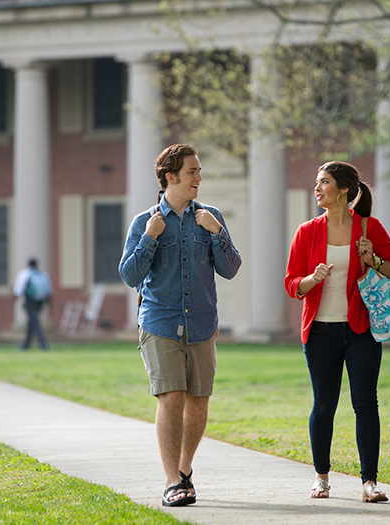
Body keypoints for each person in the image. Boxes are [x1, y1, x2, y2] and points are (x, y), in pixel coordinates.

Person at [119, 143, 242, 507]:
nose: (199, 178)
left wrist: (217, 231)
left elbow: (231, 268)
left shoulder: (210, 216)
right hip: (160, 322)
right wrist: (150, 238)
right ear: (171, 177)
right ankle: (172, 481)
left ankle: (185, 470)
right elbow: (129, 275)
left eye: (199, 172)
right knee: (171, 397)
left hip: (203, 324)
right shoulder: (145, 222)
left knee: (198, 400)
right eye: (193, 172)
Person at [284, 161, 390, 503]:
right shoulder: (307, 231)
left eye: (324, 182)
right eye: (316, 182)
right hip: (320, 331)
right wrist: (313, 279)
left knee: (365, 403)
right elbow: (292, 282)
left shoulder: (369, 227)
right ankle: (321, 478)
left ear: (343, 190)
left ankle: (369, 483)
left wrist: (374, 260)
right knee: (323, 406)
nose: (317, 188)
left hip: (361, 330)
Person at [13, 258, 52, 351]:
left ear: (28, 264)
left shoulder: (24, 273)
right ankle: (25, 345)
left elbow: (17, 290)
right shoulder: (43, 274)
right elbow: (49, 291)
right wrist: (50, 303)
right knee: (32, 320)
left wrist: (13, 302)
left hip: (30, 299)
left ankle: (43, 342)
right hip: (41, 300)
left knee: (34, 320)